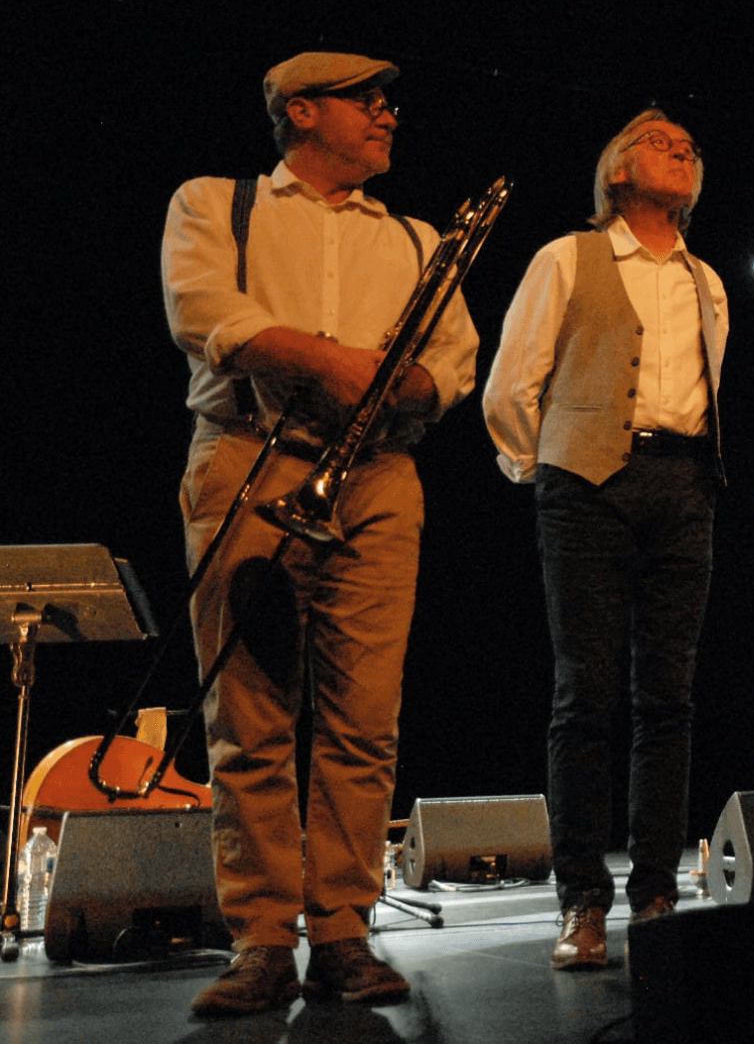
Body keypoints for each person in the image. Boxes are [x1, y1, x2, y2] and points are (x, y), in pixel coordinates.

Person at [161, 52, 479, 1015]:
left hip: (378, 472)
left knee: (363, 719)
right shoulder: (217, 203)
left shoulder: (418, 236)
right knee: (250, 716)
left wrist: (401, 386)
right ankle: (261, 938)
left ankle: (342, 929)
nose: (387, 113)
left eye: (388, 101)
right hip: (249, 457)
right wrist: (335, 364)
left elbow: (453, 361)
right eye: (365, 100)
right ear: (302, 112)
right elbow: (203, 312)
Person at [483, 110, 727, 969]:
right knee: (584, 693)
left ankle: (655, 890)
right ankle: (582, 898)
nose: (681, 148)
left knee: (669, 696)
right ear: (616, 171)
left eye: (689, 144)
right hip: (584, 484)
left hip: (684, 482)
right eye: (659, 140)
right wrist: (548, 466)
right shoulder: (567, 257)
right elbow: (511, 384)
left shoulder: (707, 280)